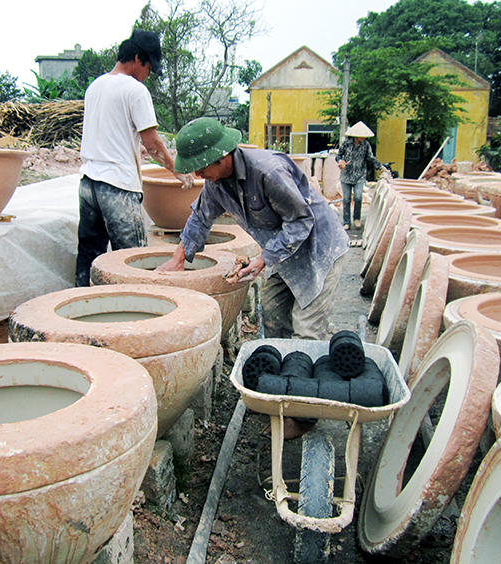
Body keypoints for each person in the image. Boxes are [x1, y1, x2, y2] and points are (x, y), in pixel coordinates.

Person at [156, 117, 350, 439]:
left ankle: (304, 415)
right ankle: (282, 390)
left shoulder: (267, 172)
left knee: (306, 330)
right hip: (284, 252)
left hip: (318, 249)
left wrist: (262, 259)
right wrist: (177, 260)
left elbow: (302, 221)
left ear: (221, 157)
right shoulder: (217, 184)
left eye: (201, 167)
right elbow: (199, 218)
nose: (197, 175)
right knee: (273, 320)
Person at [75, 29, 193, 287]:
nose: (149, 74)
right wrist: (178, 172)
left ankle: (79, 308)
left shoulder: (95, 86)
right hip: (117, 187)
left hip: (88, 183)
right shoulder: (134, 90)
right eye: (149, 66)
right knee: (132, 261)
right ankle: (135, 322)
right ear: (137, 58)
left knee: (88, 255)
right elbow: (152, 144)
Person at [335, 121, 390, 230]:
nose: (363, 137)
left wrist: (380, 167)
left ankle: (357, 218)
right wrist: (340, 161)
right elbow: (338, 155)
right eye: (361, 135)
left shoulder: (366, 145)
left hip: (359, 176)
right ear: (356, 135)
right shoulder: (346, 144)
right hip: (346, 176)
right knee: (346, 199)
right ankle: (346, 222)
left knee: (358, 197)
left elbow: (370, 158)